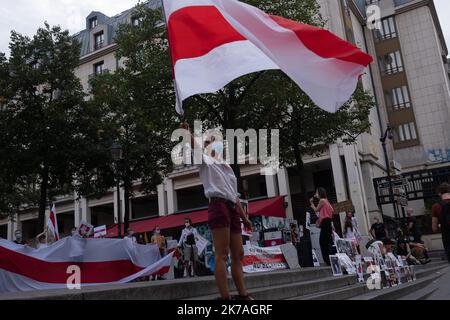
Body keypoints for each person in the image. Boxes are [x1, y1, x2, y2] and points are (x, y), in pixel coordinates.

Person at [181, 122, 253, 300]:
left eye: (215, 140)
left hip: (232, 208)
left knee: (239, 254)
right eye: (209, 141)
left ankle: (243, 295)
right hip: (218, 206)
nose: (212, 143)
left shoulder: (226, 167)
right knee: (222, 254)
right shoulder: (205, 161)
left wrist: (245, 218)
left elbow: (234, 196)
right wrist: (187, 132)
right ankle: (226, 298)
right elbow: (195, 147)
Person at [310, 188, 334, 266]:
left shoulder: (322, 200)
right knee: (328, 241)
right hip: (328, 222)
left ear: (319, 193)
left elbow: (316, 210)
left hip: (325, 222)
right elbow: (332, 210)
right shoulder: (326, 200)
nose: (316, 193)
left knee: (322, 242)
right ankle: (331, 258)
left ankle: (327, 260)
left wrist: (312, 203)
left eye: (317, 192)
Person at [432, 182, 450, 264]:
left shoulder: (436, 206)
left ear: (439, 193)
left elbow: (434, 228)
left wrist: (441, 225)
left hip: (447, 238)